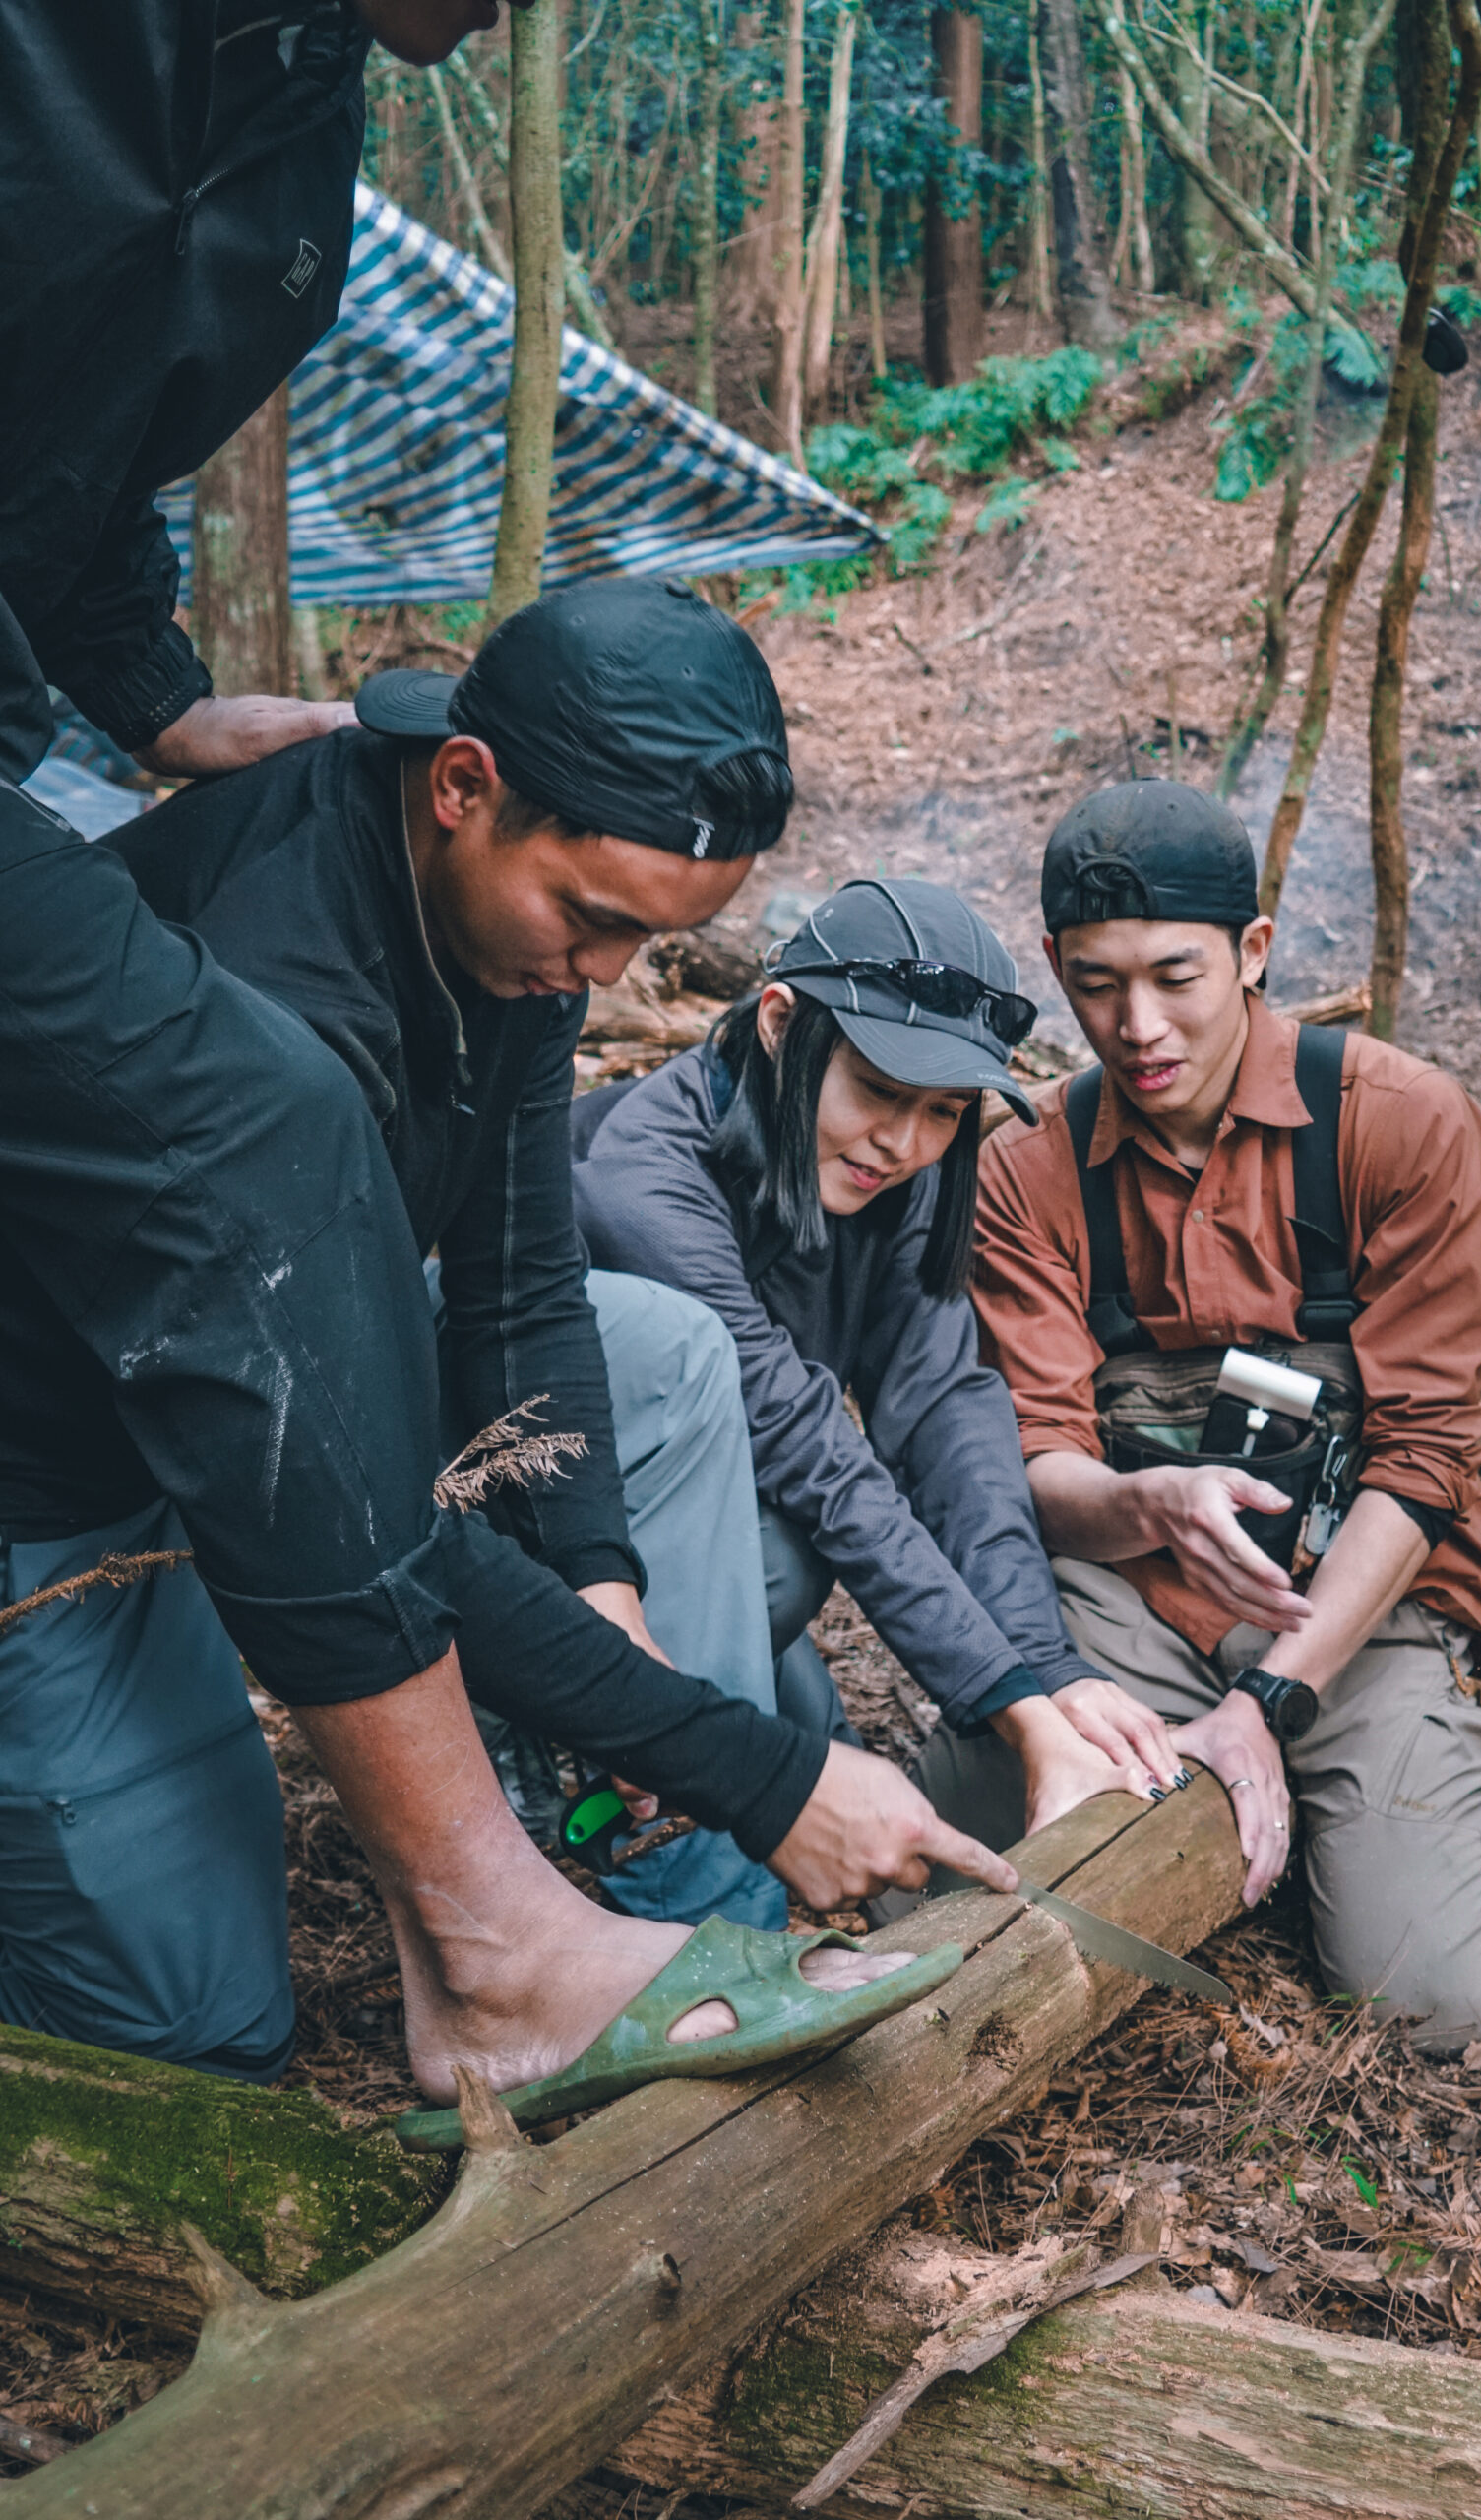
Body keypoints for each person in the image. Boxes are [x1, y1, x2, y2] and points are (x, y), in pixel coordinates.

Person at [0, 3, 1007, 2121]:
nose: (611, 979)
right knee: (200, 2036)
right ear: (462, 785)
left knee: (645, 1353)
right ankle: (594, 1883)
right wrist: (731, 1734)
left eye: (666, 942)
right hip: (73, 1476)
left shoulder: (505, 938)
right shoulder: (272, 1002)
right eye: (595, 918)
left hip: (249, 1443)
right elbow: (347, 1474)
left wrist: (619, 1616)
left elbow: (525, 1300)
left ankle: (699, 1892)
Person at [948, 780, 1481, 2054]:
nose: (1136, 1025)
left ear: (1254, 952)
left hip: (1358, 1603)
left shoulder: (1395, 1127)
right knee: (959, 1865)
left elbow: (1427, 1457)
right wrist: (1136, 1503)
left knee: (1436, 2004)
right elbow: (1035, 1457)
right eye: (1094, 982)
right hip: (1128, 1598)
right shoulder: (1025, 1169)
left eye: (1175, 976)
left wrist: (1271, 1702)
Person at [575, 877, 1187, 1924]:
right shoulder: (639, 1173)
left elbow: (947, 1414)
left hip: (716, 1524)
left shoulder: (894, 1175)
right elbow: (810, 1450)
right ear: (778, 1025)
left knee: (886, 1878)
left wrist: (1040, 1667)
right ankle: (629, 1842)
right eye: (876, 1088)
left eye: (943, 1111)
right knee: (782, 1562)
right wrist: (1012, 1709)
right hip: (533, 1541)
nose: (901, 1142)